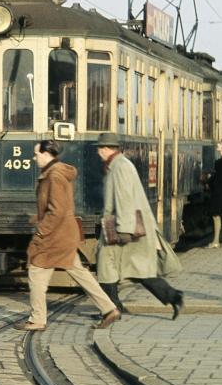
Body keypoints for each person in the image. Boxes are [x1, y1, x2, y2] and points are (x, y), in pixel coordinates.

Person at [14, 140, 120, 331]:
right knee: (78, 272)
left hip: (56, 235)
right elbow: (56, 207)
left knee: (36, 270)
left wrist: (41, 231)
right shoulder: (56, 172)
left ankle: (38, 319)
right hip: (64, 232)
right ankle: (109, 308)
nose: (34, 157)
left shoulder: (54, 175)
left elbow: (57, 210)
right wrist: (37, 217)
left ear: (46, 155)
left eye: (36, 154)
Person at [95, 133, 184, 320]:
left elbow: (125, 198)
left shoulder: (120, 167)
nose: (98, 152)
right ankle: (171, 297)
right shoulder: (117, 165)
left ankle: (114, 308)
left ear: (106, 149)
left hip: (127, 227)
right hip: (124, 225)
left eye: (100, 148)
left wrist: (125, 229)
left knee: (118, 267)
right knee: (131, 269)